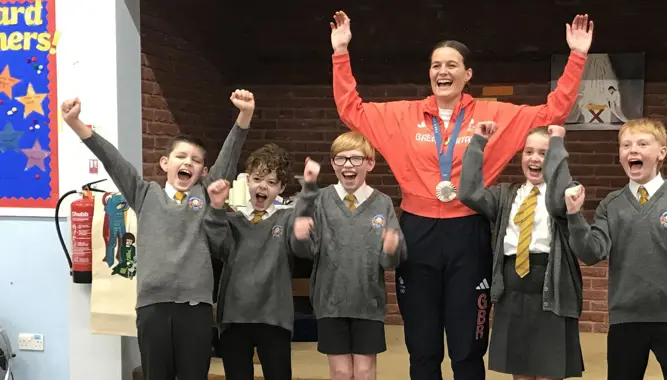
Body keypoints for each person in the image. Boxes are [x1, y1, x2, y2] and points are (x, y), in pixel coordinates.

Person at [328, 10, 594, 380]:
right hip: (417, 233)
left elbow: (554, 111)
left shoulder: (493, 114)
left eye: (452, 65)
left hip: (468, 233)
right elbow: (350, 109)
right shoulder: (402, 116)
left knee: (467, 345)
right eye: (436, 65)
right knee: (422, 346)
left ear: (467, 75)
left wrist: (577, 57)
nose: (443, 71)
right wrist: (340, 52)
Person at [60, 90, 254, 380]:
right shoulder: (145, 193)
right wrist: (76, 123)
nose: (188, 162)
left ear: (203, 172)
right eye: (181, 156)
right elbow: (113, 160)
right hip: (153, 306)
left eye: (196, 160)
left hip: (195, 307)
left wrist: (244, 116)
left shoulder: (204, 193)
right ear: (165, 163)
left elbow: (228, 157)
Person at [564, 118, 667, 380]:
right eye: (626, 145)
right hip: (626, 318)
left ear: (662, 152)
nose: (632, 150)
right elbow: (590, 253)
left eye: (642, 143)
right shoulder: (611, 205)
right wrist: (575, 216)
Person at [459, 123, 584, 380]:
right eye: (529, 152)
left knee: (549, 371)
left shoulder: (564, 194)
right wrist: (478, 143)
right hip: (513, 289)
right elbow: (468, 193)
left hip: (550, 291)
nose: (535, 158)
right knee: (521, 373)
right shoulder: (507, 194)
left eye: (544, 153)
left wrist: (558, 142)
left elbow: (560, 193)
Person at [291, 132, 407, 380]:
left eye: (355, 159)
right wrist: (301, 236)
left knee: (364, 371)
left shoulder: (382, 203)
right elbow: (304, 250)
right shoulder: (320, 200)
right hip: (330, 303)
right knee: (341, 371)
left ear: (370, 163)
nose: (348, 165)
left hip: (368, 304)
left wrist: (391, 249)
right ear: (333, 164)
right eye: (340, 159)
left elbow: (392, 260)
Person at [203, 143, 297, 380]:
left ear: (282, 188)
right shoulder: (231, 219)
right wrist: (215, 208)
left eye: (272, 182)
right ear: (246, 181)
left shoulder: (287, 219)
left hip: (274, 318)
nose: (262, 186)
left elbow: (303, 244)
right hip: (234, 318)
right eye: (257, 179)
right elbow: (217, 245)